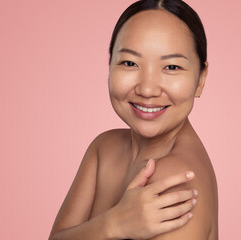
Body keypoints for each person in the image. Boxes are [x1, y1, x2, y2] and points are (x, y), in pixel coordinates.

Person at [49, 0, 218, 239]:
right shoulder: (103, 149)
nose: (147, 89)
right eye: (129, 63)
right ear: (110, 65)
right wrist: (114, 224)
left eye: (171, 66)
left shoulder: (176, 179)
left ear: (200, 79)